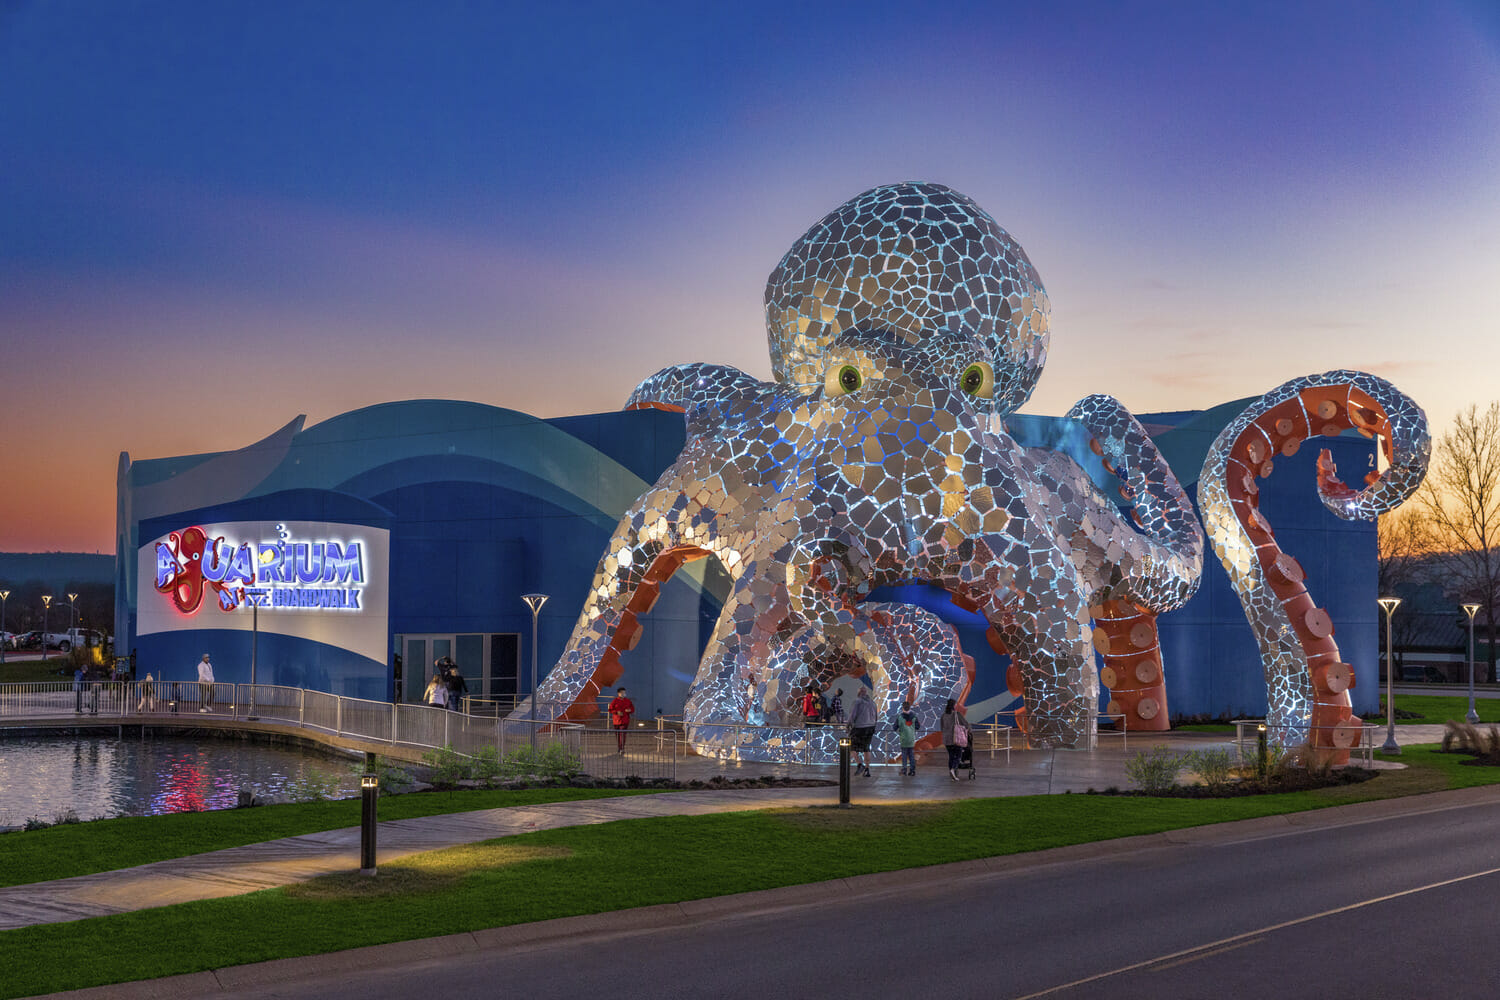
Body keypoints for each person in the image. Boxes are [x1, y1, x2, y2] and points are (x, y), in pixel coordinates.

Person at [846, 685, 878, 776]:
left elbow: (852, 715)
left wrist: (848, 726)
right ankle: (867, 769)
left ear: (859, 693)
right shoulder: (872, 703)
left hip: (859, 728)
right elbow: (876, 717)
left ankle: (859, 764)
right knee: (866, 748)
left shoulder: (857, 702)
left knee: (851, 747)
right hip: (870, 727)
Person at [941, 698, 971, 780]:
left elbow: (942, 727)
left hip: (946, 740)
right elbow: (966, 724)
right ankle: (953, 769)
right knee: (958, 755)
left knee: (951, 756)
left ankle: (952, 773)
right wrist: (969, 731)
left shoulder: (943, 715)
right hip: (956, 739)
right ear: (954, 706)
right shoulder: (957, 714)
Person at [895, 701, 921, 775]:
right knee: (911, 755)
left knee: (904, 755)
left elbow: (895, 727)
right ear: (909, 707)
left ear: (903, 708)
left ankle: (904, 769)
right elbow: (918, 727)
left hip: (903, 739)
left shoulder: (900, 717)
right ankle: (912, 770)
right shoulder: (914, 716)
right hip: (911, 738)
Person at [607, 686, 635, 753]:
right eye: (622, 693)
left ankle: (622, 748)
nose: (623, 694)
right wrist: (616, 712)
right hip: (616, 721)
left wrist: (629, 710)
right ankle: (619, 747)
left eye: (624, 693)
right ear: (618, 693)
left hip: (625, 720)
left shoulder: (628, 701)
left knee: (622, 735)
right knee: (618, 735)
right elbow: (610, 709)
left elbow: (632, 709)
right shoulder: (615, 701)